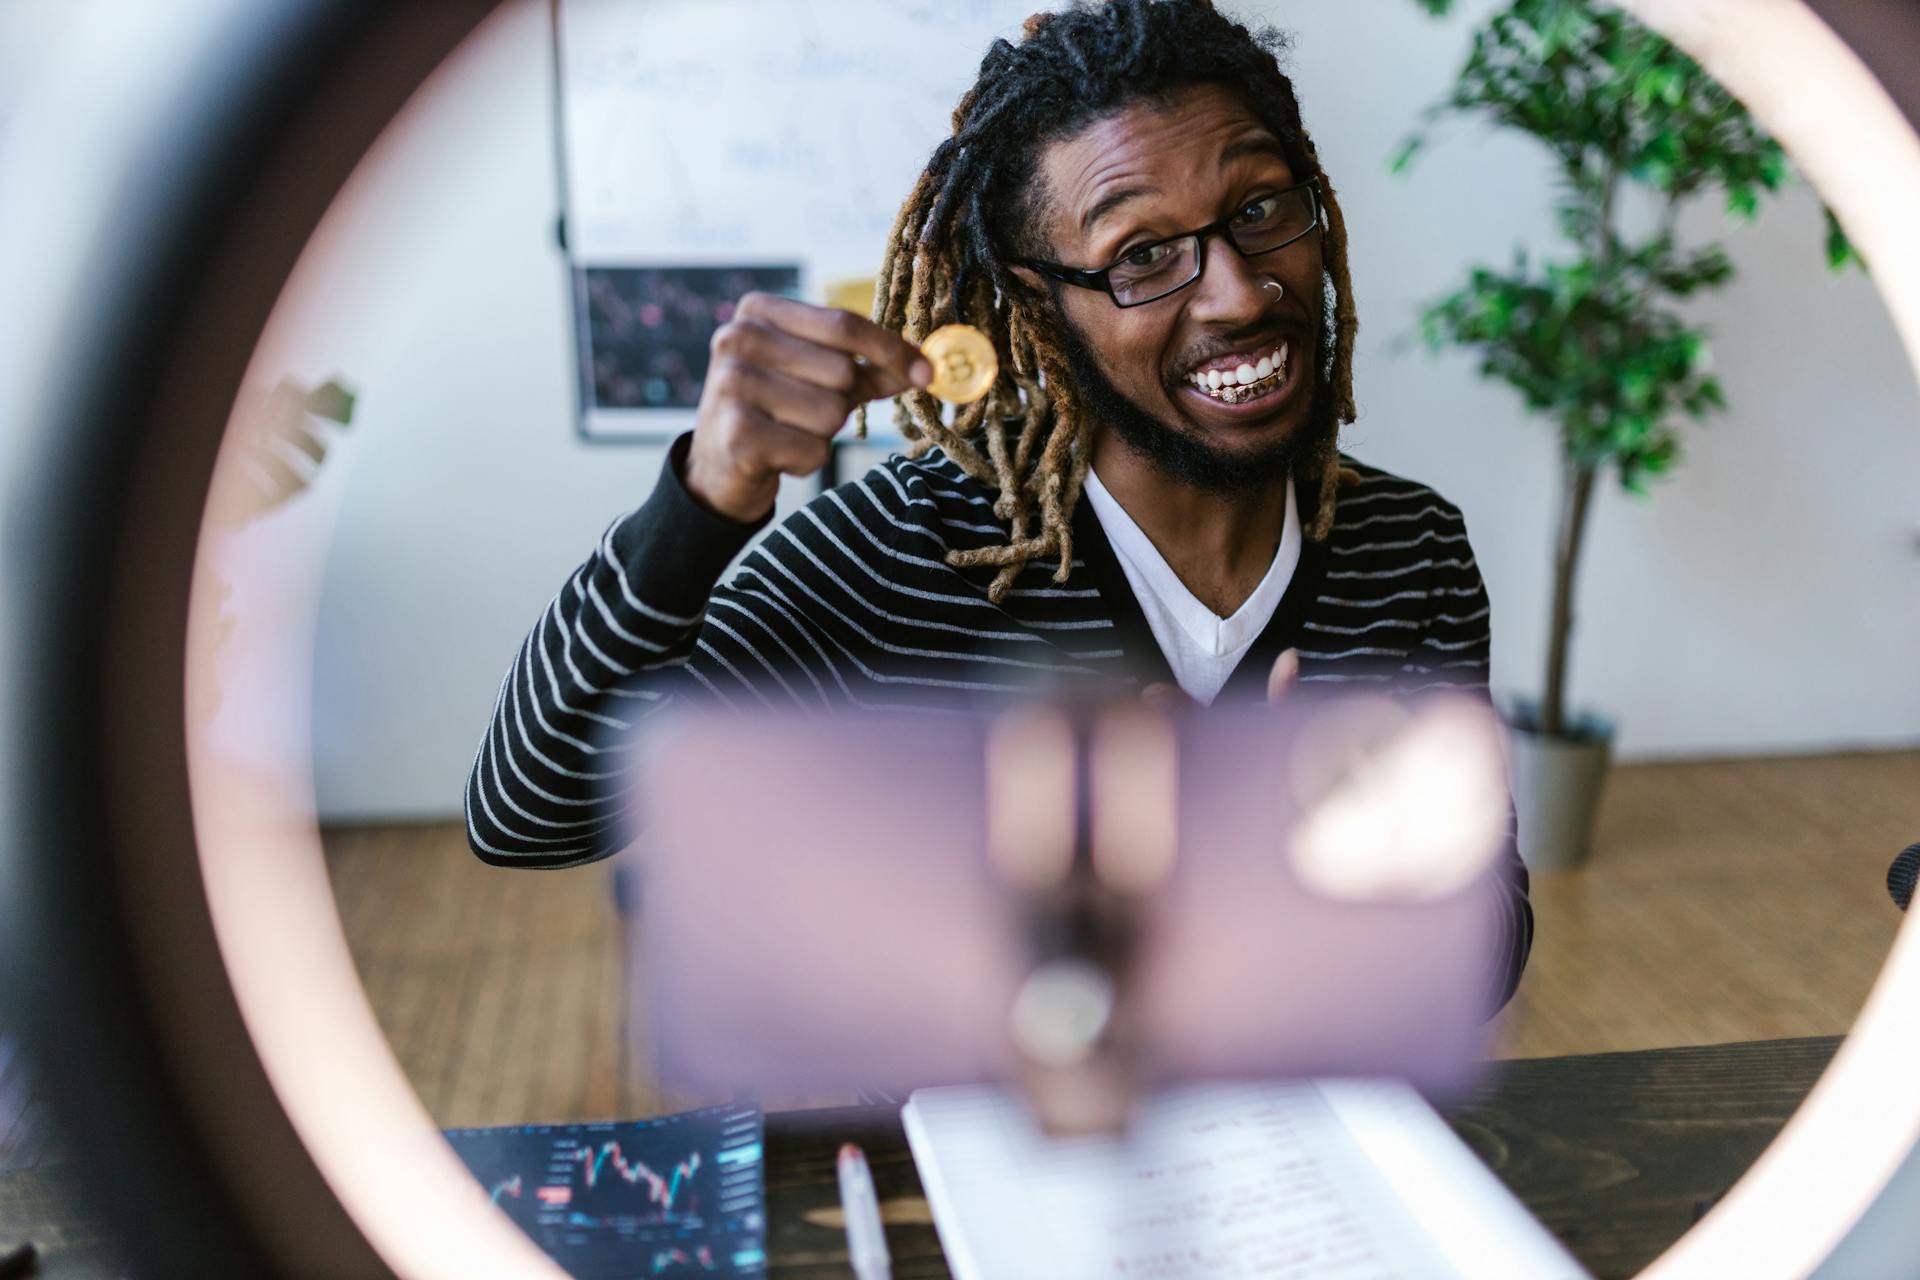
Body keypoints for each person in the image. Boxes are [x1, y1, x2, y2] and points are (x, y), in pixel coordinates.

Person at [466, 0, 1532, 1010]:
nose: (1239, 291)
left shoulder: (1409, 552)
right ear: (1039, 304)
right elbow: (529, 812)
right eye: (1141, 255)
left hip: (1301, 1163)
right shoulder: (899, 553)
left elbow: (1485, 957)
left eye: (1259, 209)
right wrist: (697, 505)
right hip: (958, 1170)